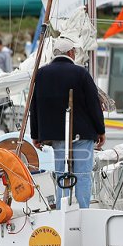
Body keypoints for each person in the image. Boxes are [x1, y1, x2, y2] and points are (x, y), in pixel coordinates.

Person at [30, 37, 105, 209]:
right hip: (82, 134)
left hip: (56, 136)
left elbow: (34, 105)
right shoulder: (80, 73)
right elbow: (93, 104)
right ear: (71, 52)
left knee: (61, 172)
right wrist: (100, 130)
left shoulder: (41, 74)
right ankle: (83, 208)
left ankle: (62, 208)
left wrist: (36, 134)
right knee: (83, 174)